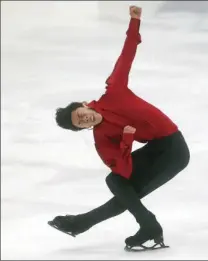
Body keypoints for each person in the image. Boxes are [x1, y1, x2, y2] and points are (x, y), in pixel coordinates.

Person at [48, 6, 190, 250]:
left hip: (174, 149)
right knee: (117, 184)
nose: (84, 120)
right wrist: (125, 141)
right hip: (156, 150)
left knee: (126, 193)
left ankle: (93, 224)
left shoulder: (114, 90)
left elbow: (126, 55)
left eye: (81, 115)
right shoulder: (101, 138)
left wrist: (134, 21)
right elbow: (121, 170)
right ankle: (96, 224)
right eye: (80, 124)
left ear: (85, 105)